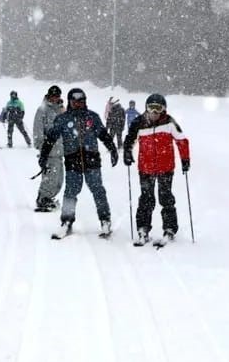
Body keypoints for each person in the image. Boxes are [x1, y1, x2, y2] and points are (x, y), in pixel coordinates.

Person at [38, 88, 118, 239]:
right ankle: (67, 221)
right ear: (70, 102)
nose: (79, 103)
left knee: (98, 190)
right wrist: (43, 155)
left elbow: (103, 134)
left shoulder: (92, 117)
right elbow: (50, 138)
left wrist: (112, 149)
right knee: (70, 193)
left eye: (81, 100)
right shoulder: (63, 119)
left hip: (91, 160)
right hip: (72, 161)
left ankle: (105, 220)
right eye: (75, 101)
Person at [124, 93, 190, 246]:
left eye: (158, 108)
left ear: (163, 109)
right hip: (146, 168)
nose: (154, 112)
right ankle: (143, 228)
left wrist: (185, 159)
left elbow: (181, 140)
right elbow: (129, 140)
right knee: (146, 199)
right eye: (151, 108)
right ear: (146, 108)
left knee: (165, 197)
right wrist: (127, 153)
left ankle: (169, 228)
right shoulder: (138, 122)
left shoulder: (169, 122)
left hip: (165, 168)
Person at [32, 85, 65, 211]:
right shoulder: (42, 110)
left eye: (57, 96)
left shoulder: (61, 110)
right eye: (53, 96)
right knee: (50, 178)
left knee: (59, 179)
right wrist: (41, 147)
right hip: (49, 151)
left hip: (60, 151)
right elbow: (37, 129)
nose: (55, 99)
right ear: (49, 95)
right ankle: (43, 199)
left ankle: (49, 198)